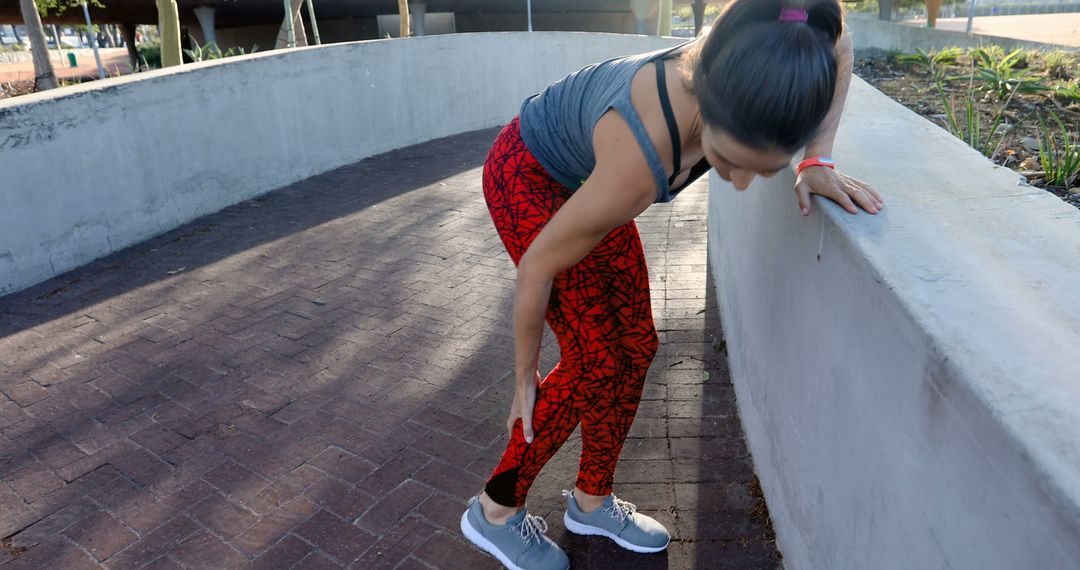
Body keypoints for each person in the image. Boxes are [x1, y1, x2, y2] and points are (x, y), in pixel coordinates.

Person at [460, 1, 882, 568]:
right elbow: (537, 266)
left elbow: (837, 39)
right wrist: (522, 378)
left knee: (636, 345)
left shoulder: (774, 49)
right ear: (704, 107)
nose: (735, 183)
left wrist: (815, 161)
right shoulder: (636, 162)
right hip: (528, 176)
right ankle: (494, 509)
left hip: (586, 179)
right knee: (594, 358)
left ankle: (590, 500)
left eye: (762, 169)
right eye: (727, 160)